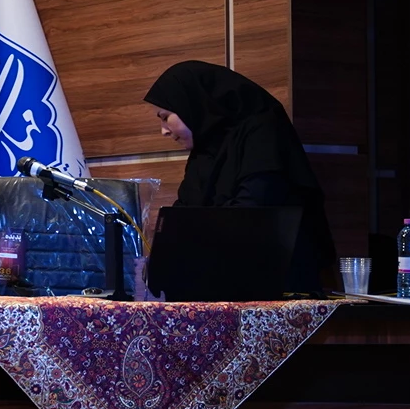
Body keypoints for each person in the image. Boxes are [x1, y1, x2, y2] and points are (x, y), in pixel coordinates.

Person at [144, 61, 337, 293]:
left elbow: (249, 215)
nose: (164, 131)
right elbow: (183, 216)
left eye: (165, 117)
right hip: (218, 281)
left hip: (274, 286)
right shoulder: (206, 151)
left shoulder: (262, 131)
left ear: (190, 104)